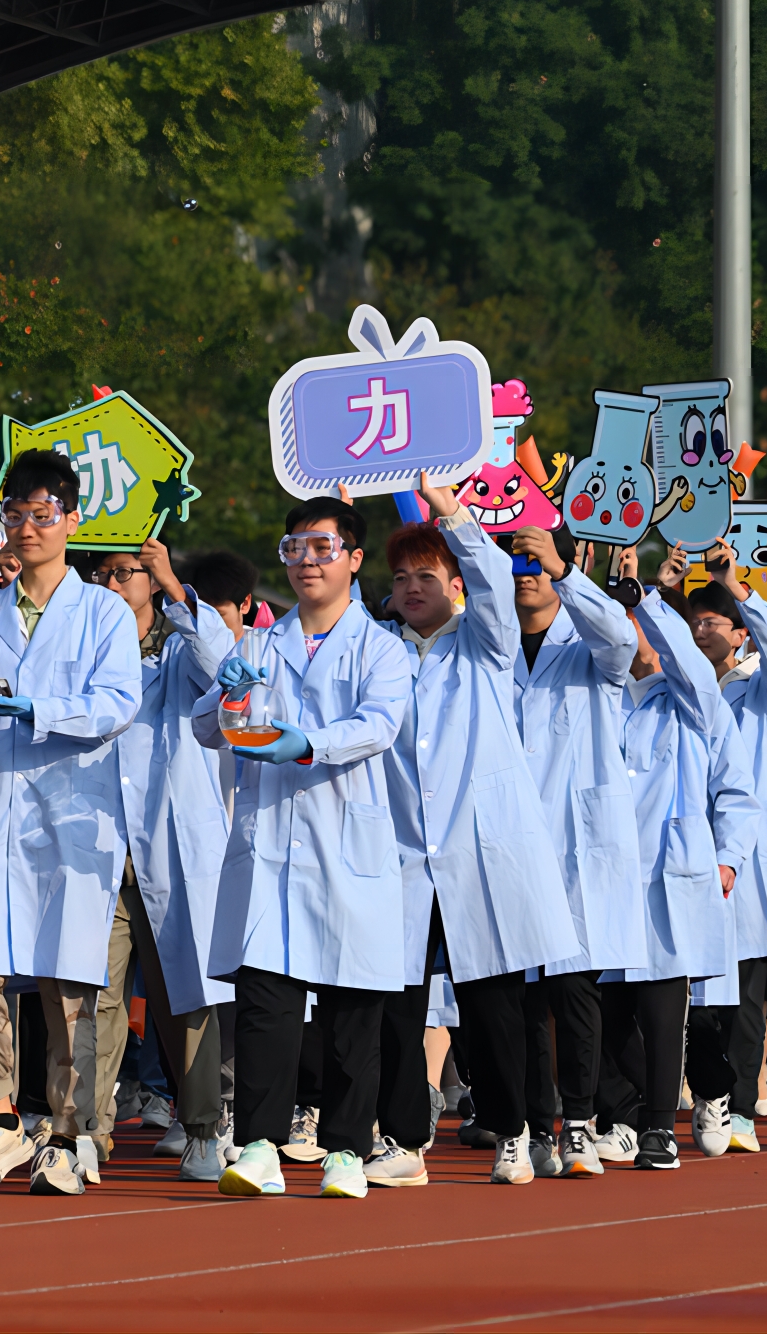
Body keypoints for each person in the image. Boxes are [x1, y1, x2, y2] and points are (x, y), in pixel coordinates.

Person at [0, 449, 142, 1197]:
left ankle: (72, 1136)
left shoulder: (102, 611)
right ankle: (4, 1121)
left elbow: (115, 707)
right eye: (14, 513)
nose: (27, 527)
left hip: (67, 820)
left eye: (43, 513)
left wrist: (35, 710)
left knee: (69, 984)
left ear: (72, 519)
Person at [190, 495, 412, 1200]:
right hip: (271, 850)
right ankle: (258, 1144)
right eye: (294, 549)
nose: (307, 562)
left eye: (322, 548)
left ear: (352, 558)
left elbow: (378, 725)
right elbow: (207, 729)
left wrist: (310, 743)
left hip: (348, 842)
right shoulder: (258, 644)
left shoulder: (383, 647)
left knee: (353, 1009)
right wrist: (227, 701)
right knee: (266, 1003)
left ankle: (347, 1150)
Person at [379, 477, 580, 1185]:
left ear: (455, 584)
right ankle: (404, 1139)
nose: (410, 588)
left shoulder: (484, 643)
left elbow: (497, 579)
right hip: (402, 847)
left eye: (425, 576)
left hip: (478, 847)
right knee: (398, 998)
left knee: (491, 1001)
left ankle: (515, 1128)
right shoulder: (380, 653)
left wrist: (451, 511)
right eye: (400, 576)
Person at [593, 571, 754, 1172]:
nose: (630, 631)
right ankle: (626, 1116)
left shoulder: (693, 699)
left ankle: (661, 1124)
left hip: (670, 873)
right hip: (605, 870)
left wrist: (728, 858)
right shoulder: (596, 693)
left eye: (640, 622)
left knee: (664, 1011)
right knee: (601, 1008)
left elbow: (736, 793)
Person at [84, 536, 233, 1181]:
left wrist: (176, 586)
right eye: (105, 574)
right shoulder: (80, 650)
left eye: (129, 574)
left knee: (183, 992)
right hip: (95, 841)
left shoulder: (179, 649)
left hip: (169, 845)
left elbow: (226, 670)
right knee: (93, 993)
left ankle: (202, 1125)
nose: (116, 585)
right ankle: (87, 1132)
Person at [504, 526, 641, 1178]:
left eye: (536, 560)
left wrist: (566, 573)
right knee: (523, 999)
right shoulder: (492, 642)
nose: (525, 571)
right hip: (513, 841)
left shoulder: (590, 644)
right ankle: (533, 1124)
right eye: (517, 559)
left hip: (578, 844)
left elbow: (620, 639)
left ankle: (581, 1123)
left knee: (574, 991)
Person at [676, 543, 767, 1155]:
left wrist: (737, 585)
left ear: (739, 632)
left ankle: (738, 1108)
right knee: (694, 990)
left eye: (713, 622)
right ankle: (710, 1097)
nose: (701, 631)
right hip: (687, 848)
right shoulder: (675, 687)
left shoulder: (762, 686)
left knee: (745, 991)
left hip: (747, 858)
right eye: (693, 623)